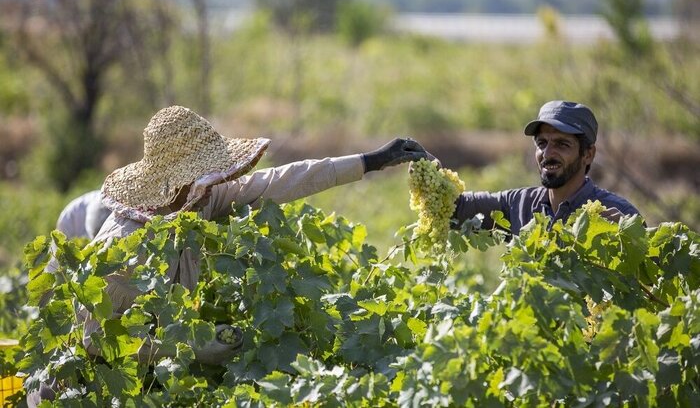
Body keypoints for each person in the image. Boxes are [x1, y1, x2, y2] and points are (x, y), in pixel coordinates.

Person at [78, 105, 429, 367]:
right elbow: (94, 340)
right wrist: (194, 348)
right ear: (176, 183)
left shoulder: (197, 201)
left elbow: (277, 182)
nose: (217, 179)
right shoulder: (125, 247)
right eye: (205, 172)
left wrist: (370, 161)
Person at [452, 100, 641, 234]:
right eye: (542, 143)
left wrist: (628, 236)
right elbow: (457, 207)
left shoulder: (618, 214)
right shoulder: (518, 205)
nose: (548, 153)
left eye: (562, 144)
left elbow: (656, 273)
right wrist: (426, 166)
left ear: (588, 154)